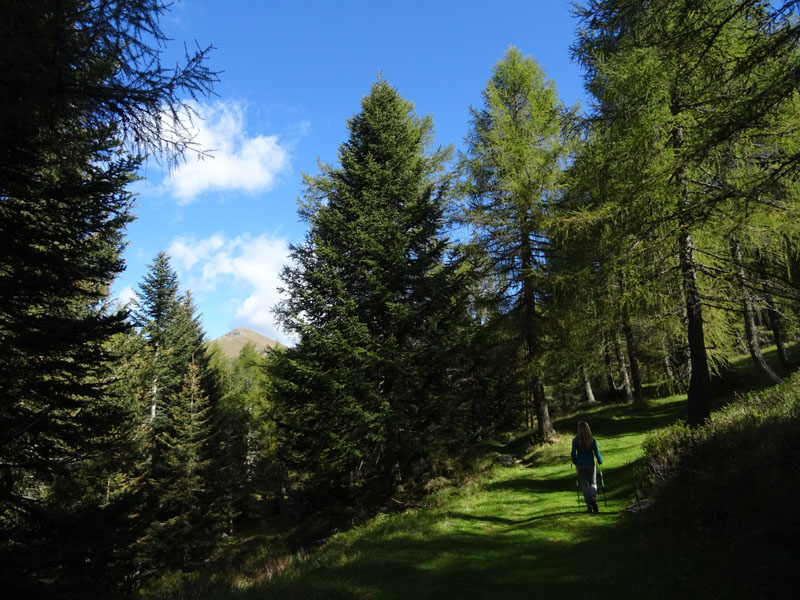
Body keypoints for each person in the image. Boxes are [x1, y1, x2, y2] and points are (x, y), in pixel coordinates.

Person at [571, 421, 603, 513]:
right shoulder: (592, 441)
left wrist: (575, 461)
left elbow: (573, 453)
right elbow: (597, 453)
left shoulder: (576, 440)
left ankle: (589, 505)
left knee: (585, 485)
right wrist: (600, 460)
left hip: (580, 465)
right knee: (593, 483)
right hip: (590, 465)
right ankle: (593, 497)